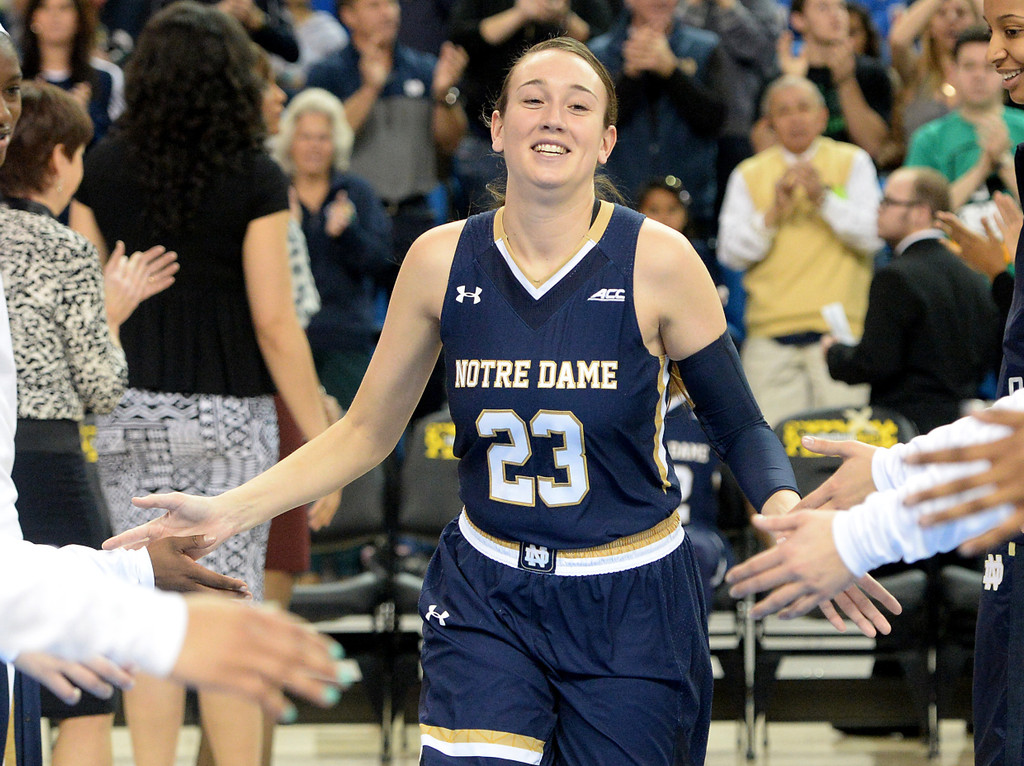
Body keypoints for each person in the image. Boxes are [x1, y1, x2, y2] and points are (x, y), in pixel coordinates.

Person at [103, 37, 901, 765]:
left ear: (606, 140)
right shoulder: (437, 260)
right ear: (496, 126)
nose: (553, 117)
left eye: (578, 105)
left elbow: (740, 424)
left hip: (631, 596)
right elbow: (365, 432)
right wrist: (230, 511)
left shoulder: (660, 260)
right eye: (533, 99)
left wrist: (791, 516)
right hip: (488, 591)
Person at [0, 25, 344, 765]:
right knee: (227, 603)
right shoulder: (255, 174)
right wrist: (323, 444)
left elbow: (95, 297)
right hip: (231, 417)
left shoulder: (104, 166)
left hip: (128, 411)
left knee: (141, 609)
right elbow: (276, 321)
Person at [729, 2, 1024, 759]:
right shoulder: (979, 262)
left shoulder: (898, 278)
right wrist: (894, 468)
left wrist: (866, 530)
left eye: (1014, 30)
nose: (996, 53)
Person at [717, 74, 881, 426]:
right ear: (770, 123)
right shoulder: (749, 173)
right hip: (769, 337)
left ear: (822, 117)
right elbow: (730, 253)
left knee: (842, 445)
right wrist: (773, 214)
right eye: (784, 111)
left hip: (840, 334)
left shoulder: (852, 161)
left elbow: (873, 236)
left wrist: (823, 199)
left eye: (804, 108)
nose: (795, 119)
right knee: (771, 446)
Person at [824, 166, 1001, 433]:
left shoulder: (894, 277)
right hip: (962, 429)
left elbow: (875, 363)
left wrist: (835, 353)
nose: (878, 210)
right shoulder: (974, 276)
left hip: (906, 430)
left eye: (887, 202)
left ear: (920, 213)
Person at [305, 0, 467, 278]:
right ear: (348, 15)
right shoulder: (327, 73)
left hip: (416, 215)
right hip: (351, 218)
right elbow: (323, 141)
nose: (388, 12)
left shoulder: (425, 68)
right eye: (374, 5)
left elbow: (450, 142)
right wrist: (370, 89)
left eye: (391, 3)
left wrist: (443, 95)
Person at [271, 88, 393, 409]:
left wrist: (347, 233)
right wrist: (288, 230)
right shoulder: (272, 193)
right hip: (286, 335)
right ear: (290, 141)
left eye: (323, 138)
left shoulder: (357, 191)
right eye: (306, 137)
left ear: (336, 142)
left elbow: (382, 263)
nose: (314, 146)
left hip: (344, 337)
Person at [587, 0, 727, 246]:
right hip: (618, 206)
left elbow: (716, 119)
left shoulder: (705, 47)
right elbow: (593, 125)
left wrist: (671, 71)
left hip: (691, 211)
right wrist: (630, 76)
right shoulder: (600, 52)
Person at [905, 24, 1024, 234]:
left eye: (989, 67)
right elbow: (917, 220)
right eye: (969, 66)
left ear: (1005, 70)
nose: (979, 76)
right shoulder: (928, 139)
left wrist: (1004, 162)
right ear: (952, 72)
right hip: (950, 253)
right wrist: (983, 166)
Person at [777, 0, 894, 164]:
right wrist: (794, 83)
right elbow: (766, 151)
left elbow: (874, 146)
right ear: (799, 20)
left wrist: (846, 82)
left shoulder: (872, 72)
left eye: (840, 6)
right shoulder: (783, 76)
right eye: (823, 7)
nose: (836, 15)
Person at [18, 0, 124, 143]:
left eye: (64, 8)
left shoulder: (105, 79)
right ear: (32, 17)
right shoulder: (16, 79)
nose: (55, 16)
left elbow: (113, 143)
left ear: (79, 18)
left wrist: (81, 119)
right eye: (45, 7)